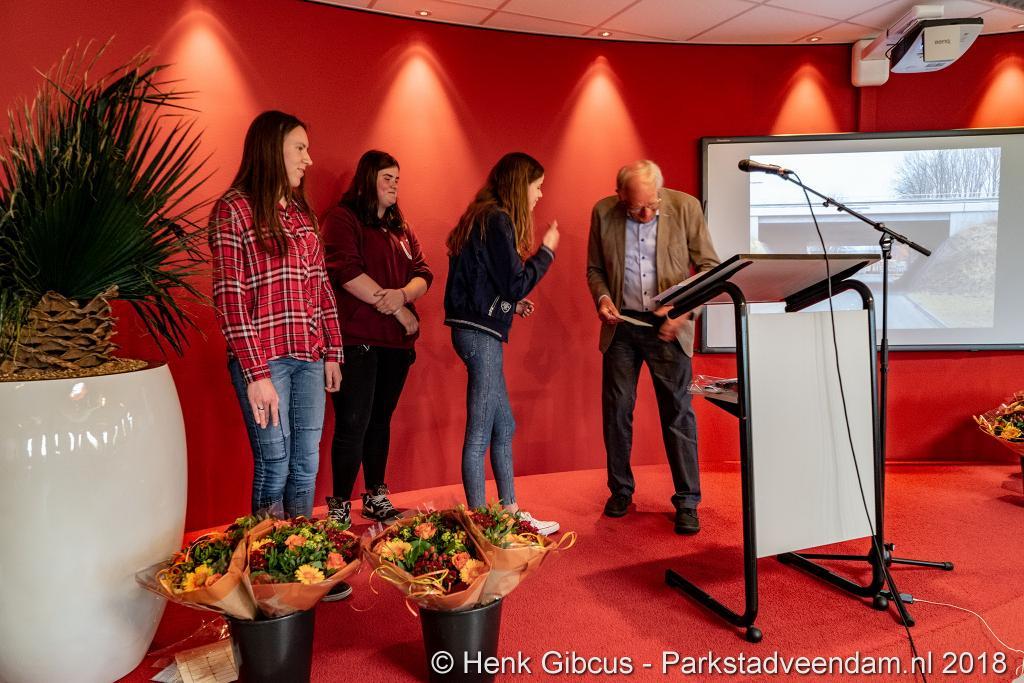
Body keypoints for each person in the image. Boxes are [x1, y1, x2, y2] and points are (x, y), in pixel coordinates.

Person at [210, 110, 343, 521]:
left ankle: (302, 552)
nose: (308, 159)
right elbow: (230, 299)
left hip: (309, 357)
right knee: (275, 465)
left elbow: (321, 286)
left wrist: (333, 351)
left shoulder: (302, 213)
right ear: (272, 150)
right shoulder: (234, 209)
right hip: (265, 361)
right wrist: (256, 375)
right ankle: (268, 556)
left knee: (306, 466)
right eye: (300, 148)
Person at [586, 160, 720, 534]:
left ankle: (687, 501)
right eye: (636, 208)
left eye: (652, 205)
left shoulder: (685, 207)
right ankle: (620, 491)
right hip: (622, 325)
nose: (646, 214)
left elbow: (709, 268)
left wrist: (683, 312)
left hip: (668, 325)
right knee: (617, 411)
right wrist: (602, 299)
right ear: (619, 196)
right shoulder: (603, 212)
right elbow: (595, 269)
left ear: (660, 192)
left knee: (678, 412)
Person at [443, 152, 561, 535]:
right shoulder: (497, 219)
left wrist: (511, 305)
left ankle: (509, 512)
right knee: (479, 432)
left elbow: (482, 283)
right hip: (480, 335)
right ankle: (481, 527)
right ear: (520, 185)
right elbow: (515, 282)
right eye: (537, 187)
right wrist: (547, 252)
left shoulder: (482, 216)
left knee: (503, 424)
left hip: (475, 329)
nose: (539, 195)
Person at [322, 150, 432, 526]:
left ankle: (375, 496)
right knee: (353, 421)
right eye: (387, 177)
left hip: (395, 346)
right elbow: (346, 273)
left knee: (380, 420)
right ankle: (339, 504)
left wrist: (403, 295)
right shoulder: (344, 218)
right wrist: (398, 308)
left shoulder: (401, 229)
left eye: (397, 179)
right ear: (368, 179)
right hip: (357, 341)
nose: (394, 185)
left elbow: (423, 273)